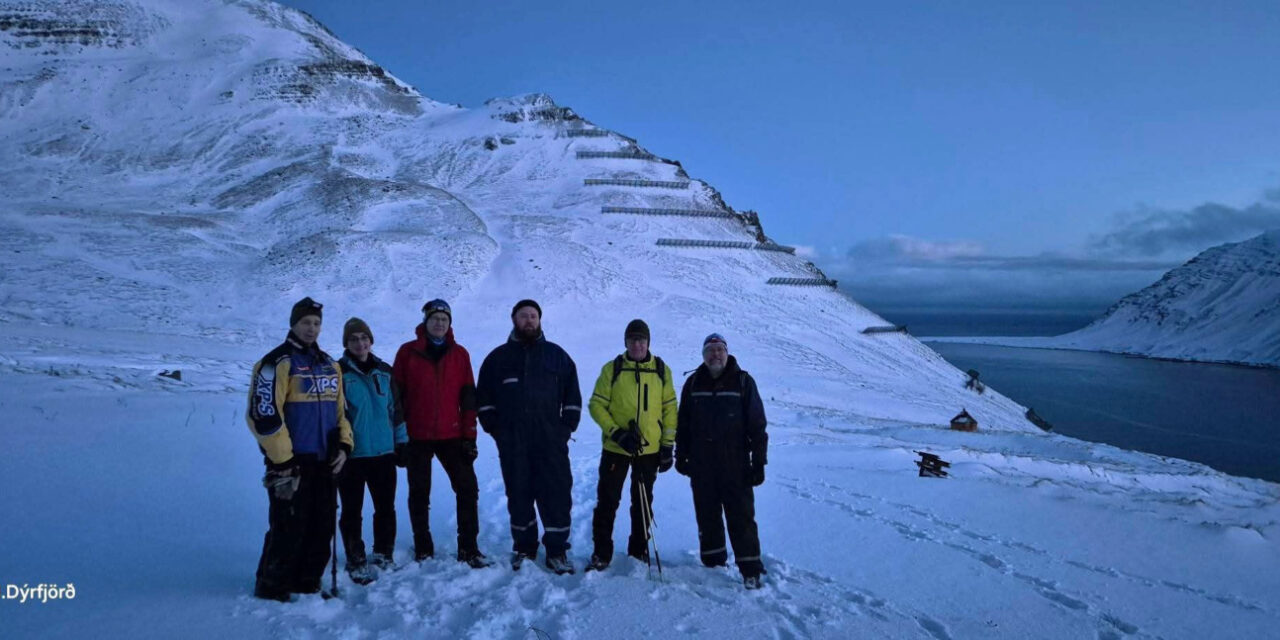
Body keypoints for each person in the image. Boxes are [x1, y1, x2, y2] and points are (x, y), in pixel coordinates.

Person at [246, 297, 353, 601]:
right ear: (293, 323)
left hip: (325, 460)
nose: (312, 328)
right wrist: (283, 459)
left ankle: (308, 582)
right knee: (288, 526)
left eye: (317, 323)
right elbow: (264, 415)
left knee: (322, 525)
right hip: (290, 463)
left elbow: (341, 412)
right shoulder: (275, 363)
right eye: (306, 322)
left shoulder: (329, 365)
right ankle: (273, 586)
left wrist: (344, 446)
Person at [476, 299, 582, 574]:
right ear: (514, 319)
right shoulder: (498, 358)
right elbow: (484, 398)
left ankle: (557, 550)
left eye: (533, 316)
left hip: (550, 441)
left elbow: (572, 395)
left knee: (556, 494)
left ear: (540, 320)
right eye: (524, 316)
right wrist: (495, 429)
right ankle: (525, 548)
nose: (529, 320)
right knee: (519, 494)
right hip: (513, 442)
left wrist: (565, 427)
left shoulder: (556, 355)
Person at [392, 299, 492, 568]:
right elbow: (396, 397)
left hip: (452, 435)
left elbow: (469, 396)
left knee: (467, 489)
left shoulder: (460, 354)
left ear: (450, 324)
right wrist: (399, 437)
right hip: (417, 436)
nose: (439, 323)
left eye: (444, 320)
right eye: (435, 318)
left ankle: (469, 547)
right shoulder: (407, 353)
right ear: (425, 322)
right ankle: (423, 547)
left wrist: (469, 435)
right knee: (419, 493)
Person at [675, 333, 769, 590]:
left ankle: (750, 569)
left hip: (735, 465)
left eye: (719, 350)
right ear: (703, 355)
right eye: (710, 350)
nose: (715, 354)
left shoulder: (743, 382)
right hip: (702, 465)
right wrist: (680, 455)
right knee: (707, 516)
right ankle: (713, 564)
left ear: (727, 353)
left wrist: (759, 462)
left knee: (742, 518)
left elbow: (757, 425)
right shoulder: (693, 383)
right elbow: (683, 424)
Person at [585, 319, 677, 571]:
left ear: (648, 342)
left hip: (649, 451)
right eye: (632, 339)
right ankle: (601, 553)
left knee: (643, 503)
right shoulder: (612, 369)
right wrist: (617, 433)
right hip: (617, 449)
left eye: (642, 339)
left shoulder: (661, 369)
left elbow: (670, 408)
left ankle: (638, 551)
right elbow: (596, 405)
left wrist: (667, 444)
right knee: (607, 501)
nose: (637, 344)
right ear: (625, 342)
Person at [336, 317, 407, 584]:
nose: (359, 343)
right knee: (352, 510)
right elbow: (335, 415)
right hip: (352, 455)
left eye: (364, 338)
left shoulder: (384, 371)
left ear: (371, 340)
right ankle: (356, 559)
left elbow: (396, 410)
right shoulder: (338, 373)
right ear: (346, 343)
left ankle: (383, 552)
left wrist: (401, 443)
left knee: (385, 507)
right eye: (353, 339)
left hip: (383, 453)